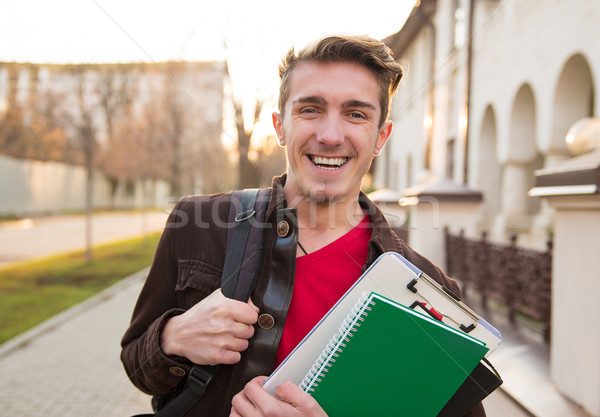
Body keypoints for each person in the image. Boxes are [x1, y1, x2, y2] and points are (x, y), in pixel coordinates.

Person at [121, 35, 486, 417]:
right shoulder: (194, 227)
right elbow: (137, 364)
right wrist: (171, 337)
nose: (330, 136)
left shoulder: (430, 296)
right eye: (310, 110)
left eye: (356, 114)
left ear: (380, 137)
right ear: (280, 126)